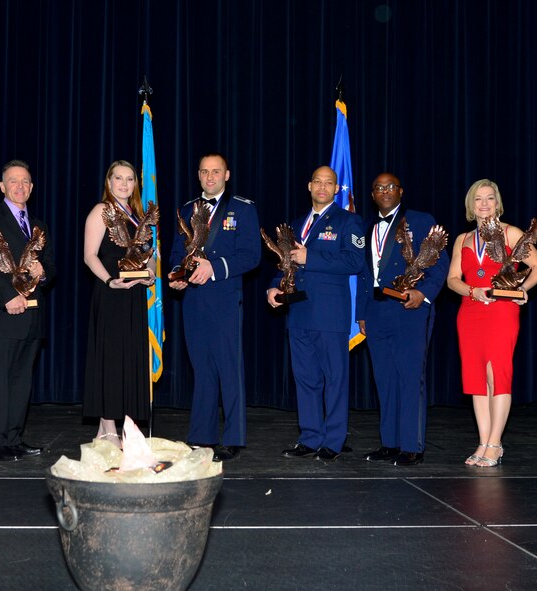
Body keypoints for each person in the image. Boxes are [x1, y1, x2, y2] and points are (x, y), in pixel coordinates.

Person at [447, 179, 537, 467]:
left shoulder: (510, 233)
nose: (484, 204)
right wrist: (472, 290)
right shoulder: (462, 239)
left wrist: (522, 289)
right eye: (478, 199)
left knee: (496, 376)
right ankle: (483, 442)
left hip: (501, 312)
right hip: (470, 311)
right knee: (477, 381)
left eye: (490, 198)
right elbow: (453, 279)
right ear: (471, 205)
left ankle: (495, 443)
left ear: (497, 202)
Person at [268, 165, 365, 462]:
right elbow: (285, 262)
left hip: (330, 314)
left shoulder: (349, 221)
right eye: (318, 182)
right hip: (298, 312)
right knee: (306, 379)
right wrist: (273, 288)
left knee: (334, 379)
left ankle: (333, 441)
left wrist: (312, 257)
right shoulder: (297, 223)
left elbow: (354, 261)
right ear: (309, 186)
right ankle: (309, 437)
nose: (323, 187)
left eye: (329, 183)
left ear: (337, 189)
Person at [168, 152, 261, 462]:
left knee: (228, 369)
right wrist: (175, 276)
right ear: (198, 175)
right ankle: (201, 436)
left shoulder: (242, 209)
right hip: (193, 300)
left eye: (216, 171)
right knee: (202, 369)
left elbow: (251, 256)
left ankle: (233, 437)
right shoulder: (185, 210)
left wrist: (215, 268)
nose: (210, 177)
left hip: (223, 299)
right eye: (205, 172)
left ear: (227, 174)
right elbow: (175, 254)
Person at [355, 173, 450, 467]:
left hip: (409, 310)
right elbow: (362, 274)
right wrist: (361, 313)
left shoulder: (420, 221)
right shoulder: (368, 228)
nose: (385, 191)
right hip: (376, 312)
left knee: (409, 379)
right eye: (379, 188)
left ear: (401, 191)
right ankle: (390, 443)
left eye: (390, 187)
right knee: (384, 380)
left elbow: (440, 263)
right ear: (372, 195)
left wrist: (423, 293)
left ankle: (411, 446)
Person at [0, 159, 55, 461]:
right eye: (13, 181)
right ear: (2, 186)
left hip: (33, 315)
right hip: (4, 314)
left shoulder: (38, 225)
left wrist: (41, 272)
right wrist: (7, 296)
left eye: (25, 182)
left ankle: (14, 437)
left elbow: (52, 271)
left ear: (31, 188)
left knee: (22, 381)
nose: (20, 186)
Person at [82, 160, 154, 447]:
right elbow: (90, 256)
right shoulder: (101, 211)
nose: (125, 184)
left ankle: (111, 428)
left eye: (130, 179)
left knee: (129, 359)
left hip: (134, 295)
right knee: (110, 360)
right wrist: (110, 281)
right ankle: (109, 425)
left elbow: (147, 255)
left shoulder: (137, 216)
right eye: (119, 178)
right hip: (112, 294)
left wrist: (149, 274)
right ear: (109, 182)